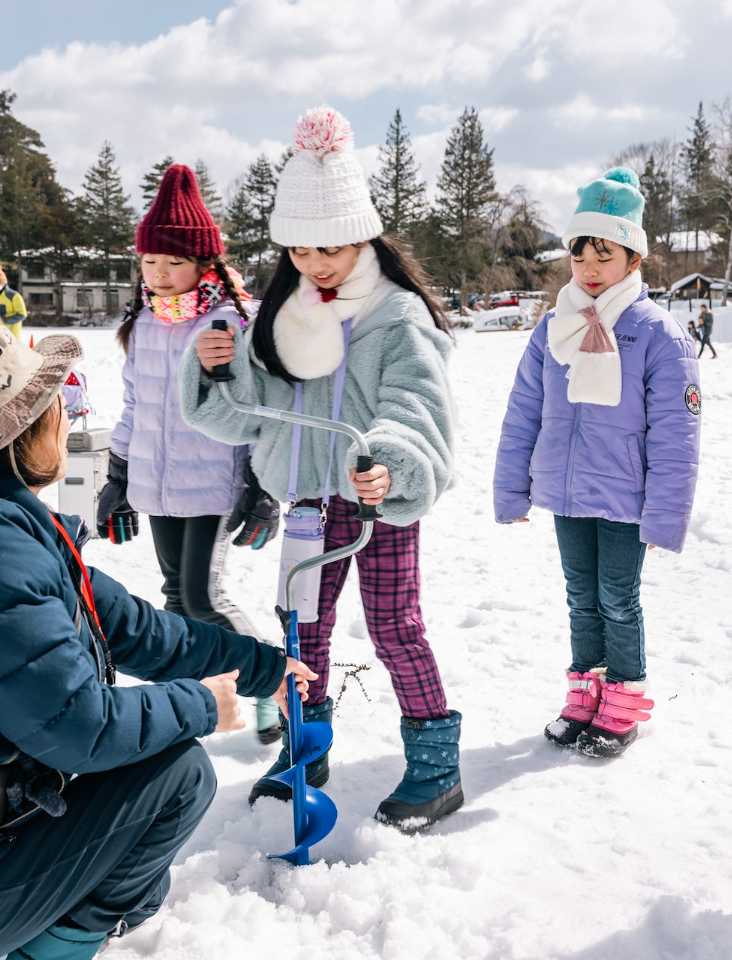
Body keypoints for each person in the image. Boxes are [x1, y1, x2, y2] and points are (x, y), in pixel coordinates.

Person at [0, 323, 313, 960]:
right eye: (53, 400)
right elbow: (76, 726)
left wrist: (263, 669)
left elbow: (140, 630)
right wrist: (205, 704)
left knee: (146, 854)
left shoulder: (3, 525)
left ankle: (51, 927)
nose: (66, 412)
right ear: (21, 430)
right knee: (178, 777)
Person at [182, 107, 462, 832]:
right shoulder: (285, 315)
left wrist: (391, 465)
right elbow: (245, 415)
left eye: (330, 247)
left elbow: (417, 402)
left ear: (363, 235)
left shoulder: (396, 315)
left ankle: (436, 767)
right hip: (308, 503)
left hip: (373, 500)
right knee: (302, 630)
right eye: (300, 250)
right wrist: (216, 368)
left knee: (395, 626)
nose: (315, 263)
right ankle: (306, 749)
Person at [493, 167, 700, 759]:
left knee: (617, 598)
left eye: (603, 255)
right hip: (566, 491)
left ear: (633, 258)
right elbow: (523, 411)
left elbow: (677, 436)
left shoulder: (659, 333)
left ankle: (624, 700)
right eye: (579, 255)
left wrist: (665, 514)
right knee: (580, 596)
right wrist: (511, 490)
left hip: (626, 497)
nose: (588, 268)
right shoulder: (552, 328)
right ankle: (586, 692)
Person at [98, 163, 283, 745]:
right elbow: (134, 406)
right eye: (149, 260)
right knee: (176, 598)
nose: (159, 272)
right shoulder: (143, 322)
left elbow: (257, 408)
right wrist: (117, 475)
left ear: (205, 263)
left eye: (173, 261)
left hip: (215, 482)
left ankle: (275, 686)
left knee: (205, 596)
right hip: (156, 483)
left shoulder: (232, 321)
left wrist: (262, 486)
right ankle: (189, 705)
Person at [0, 264, 27, 339]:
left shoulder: (14, 296)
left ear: (3, 284)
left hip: (11, 337)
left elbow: (22, 315)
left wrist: (3, 319)